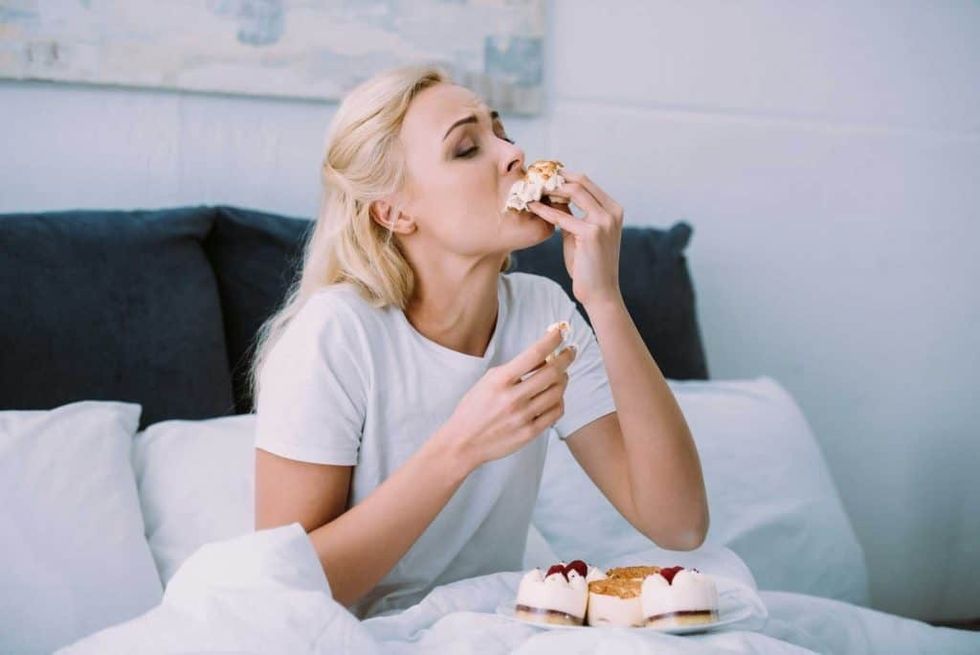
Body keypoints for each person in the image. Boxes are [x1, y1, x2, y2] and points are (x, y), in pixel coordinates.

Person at [250, 64, 709, 620]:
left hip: (492, 628)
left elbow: (678, 524)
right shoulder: (336, 335)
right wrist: (461, 446)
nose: (513, 156)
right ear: (395, 211)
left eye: (501, 132)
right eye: (467, 148)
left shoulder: (544, 313)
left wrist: (604, 299)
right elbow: (285, 594)